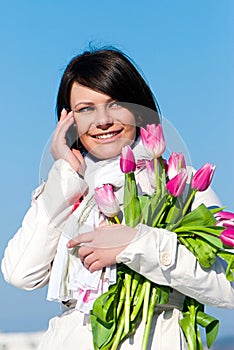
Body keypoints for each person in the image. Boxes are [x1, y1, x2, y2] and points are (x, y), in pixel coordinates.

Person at [1, 47, 234, 350]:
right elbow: (21, 273)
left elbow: (229, 285)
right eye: (85, 109)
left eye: (115, 105)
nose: (103, 121)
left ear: (138, 110)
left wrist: (137, 244)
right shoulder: (68, 188)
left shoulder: (180, 182)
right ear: (68, 121)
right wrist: (65, 173)